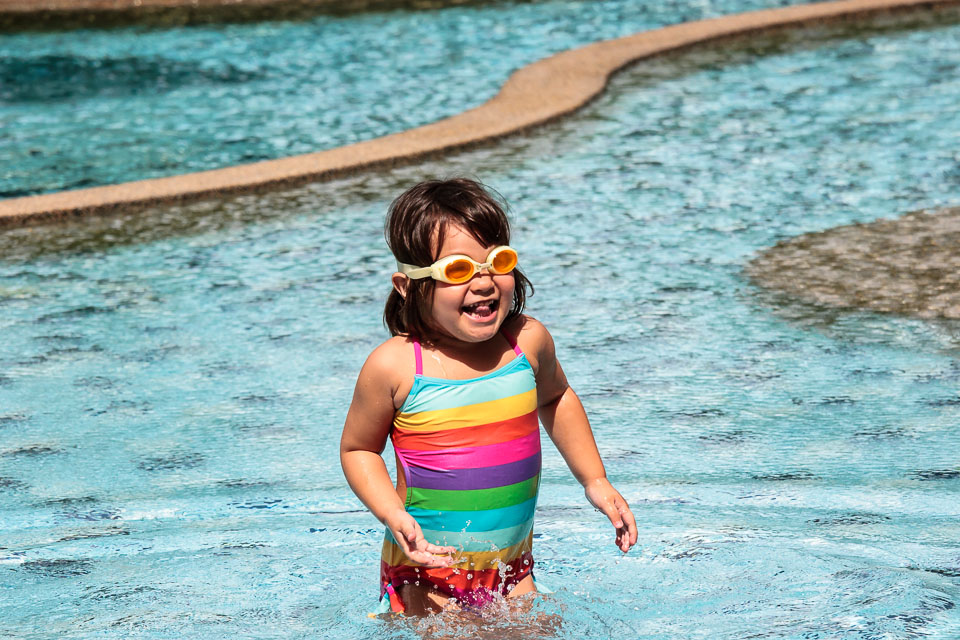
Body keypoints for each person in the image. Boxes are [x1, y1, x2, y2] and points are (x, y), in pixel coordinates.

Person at [340, 178, 637, 616]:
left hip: (511, 571)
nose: (483, 282)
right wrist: (391, 513)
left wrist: (595, 479)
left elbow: (555, 398)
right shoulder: (396, 366)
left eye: (497, 262)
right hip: (425, 571)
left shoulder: (526, 343)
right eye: (458, 270)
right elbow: (359, 449)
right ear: (407, 285)